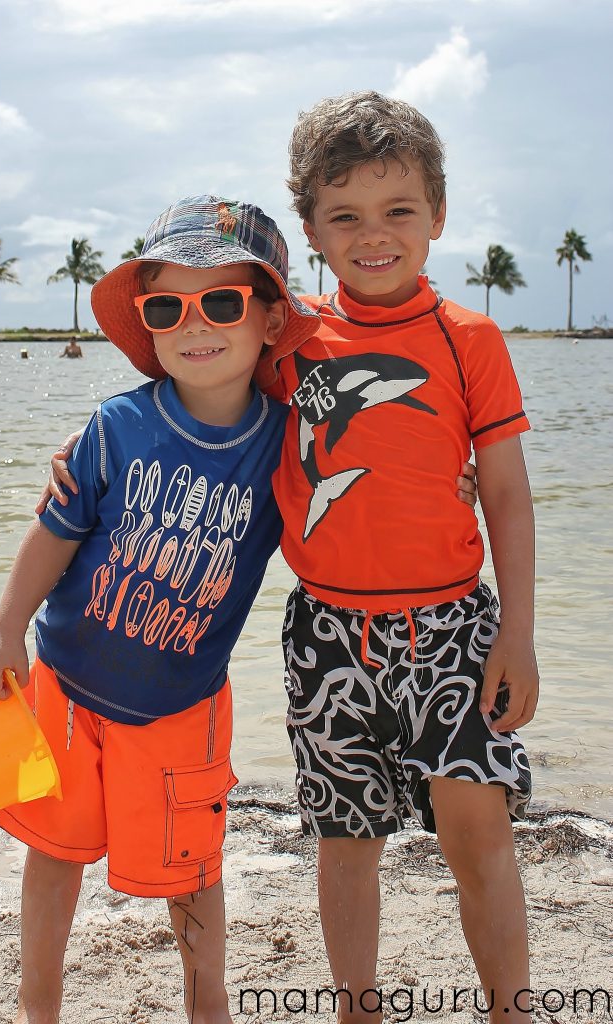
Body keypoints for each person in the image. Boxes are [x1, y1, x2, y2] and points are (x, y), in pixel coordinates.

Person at [0, 194, 322, 1024]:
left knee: (193, 871)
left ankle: (208, 1001)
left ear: (271, 320)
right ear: (148, 322)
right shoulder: (116, 426)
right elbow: (56, 532)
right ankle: (38, 1004)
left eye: (223, 302)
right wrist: (3, 625)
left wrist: (450, 487)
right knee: (53, 855)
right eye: (167, 306)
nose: (193, 324)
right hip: (65, 683)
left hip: (182, 706)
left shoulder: (285, 445)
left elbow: (357, 506)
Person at [271, 91, 537, 1024]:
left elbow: (504, 490)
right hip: (328, 633)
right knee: (346, 842)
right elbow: (195, 396)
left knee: (480, 835)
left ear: (438, 217)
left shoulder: (471, 340)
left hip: (455, 628)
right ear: (310, 226)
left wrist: (520, 634)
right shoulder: (288, 342)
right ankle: (358, 1008)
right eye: (344, 215)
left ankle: (510, 1009)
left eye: (398, 211)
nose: (372, 235)